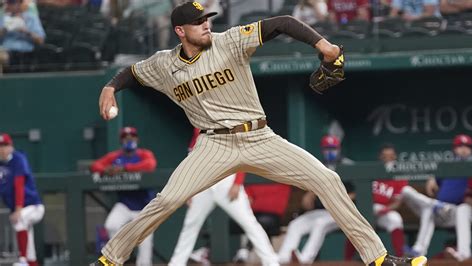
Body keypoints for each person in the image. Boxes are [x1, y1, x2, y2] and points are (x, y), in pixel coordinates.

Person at [92, 2, 427, 265]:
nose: (206, 24)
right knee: (167, 199)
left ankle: (378, 258)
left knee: (327, 179)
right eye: (198, 22)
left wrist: (322, 45)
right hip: (213, 144)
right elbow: (132, 73)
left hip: (259, 137)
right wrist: (110, 88)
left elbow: (282, 22)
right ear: (180, 30)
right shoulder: (164, 64)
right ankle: (111, 258)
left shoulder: (229, 41)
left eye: (207, 19)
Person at [168, 128, 279, 266]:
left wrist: (237, 182)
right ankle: (176, 263)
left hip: (226, 182)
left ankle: (272, 262)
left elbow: (240, 154)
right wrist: (190, 190)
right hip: (203, 184)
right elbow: (191, 159)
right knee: (190, 225)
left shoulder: (226, 121)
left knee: (249, 223)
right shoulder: (198, 126)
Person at [278, 135, 355, 264]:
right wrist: (310, 193)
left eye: (333, 148)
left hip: (341, 212)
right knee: (295, 225)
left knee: (320, 224)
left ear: (339, 148)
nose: (330, 151)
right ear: (322, 149)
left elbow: (358, 192)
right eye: (327, 148)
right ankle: (283, 258)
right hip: (321, 211)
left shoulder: (348, 165)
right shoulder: (318, 165)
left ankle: (305, 259)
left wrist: (341, 199)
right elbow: (307, 202)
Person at [90, 127, 157, 266]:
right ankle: (117, 258)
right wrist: (105, 169)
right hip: (125, 204)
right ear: (121, 140)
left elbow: (150, 165)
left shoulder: (143, 154)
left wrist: (125, 168)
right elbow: (95, 165)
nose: (129, 139)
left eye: (132, 136)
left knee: (145, 250)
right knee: (111, 225)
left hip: (144, 206)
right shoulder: (115, 156)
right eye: (126, 137)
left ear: (137, 139)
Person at [402, 134, 472, 261]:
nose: (463, 149)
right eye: (460, 146)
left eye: (467, 146)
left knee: (463, 209)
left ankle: (464, 254)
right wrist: (432, 178)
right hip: (443, 211)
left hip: (462, 212)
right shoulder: (447, 166)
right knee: (417, 200)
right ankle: (418, 251)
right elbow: (435, 182)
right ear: (455, 149)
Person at [345, 143, 408, 260]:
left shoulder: (399, 176)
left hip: (385, 211)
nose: (387, 159)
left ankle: (400, 257)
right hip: (368, 208)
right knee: (356, 222)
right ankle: (347, 260)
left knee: (396, 219)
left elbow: (398, 202)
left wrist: (387, 209)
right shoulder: (372, 172)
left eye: (390, 156)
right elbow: (360, 192)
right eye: (385, 156)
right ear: (380, 157)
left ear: (395, 157)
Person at [0, 133, 44, 266]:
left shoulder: (18, 159)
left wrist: (18, 209)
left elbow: (19, 185)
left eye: (5, 145)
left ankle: (22, 260)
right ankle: (28, 260)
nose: (2, 149)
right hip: (19, 209)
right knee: (30, 250)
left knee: (19, 220)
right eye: (0, 146)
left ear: (11, 146)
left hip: (33, 206)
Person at [0, 0, 45, 66]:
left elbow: (41, 40)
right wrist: (5, 29)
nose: (8, 5)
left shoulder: (31, 18)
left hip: (26, 53)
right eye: (7, 2)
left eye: (12, 2)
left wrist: (26, 31)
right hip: (6, 51)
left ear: (20, 3)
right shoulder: (3, 18)